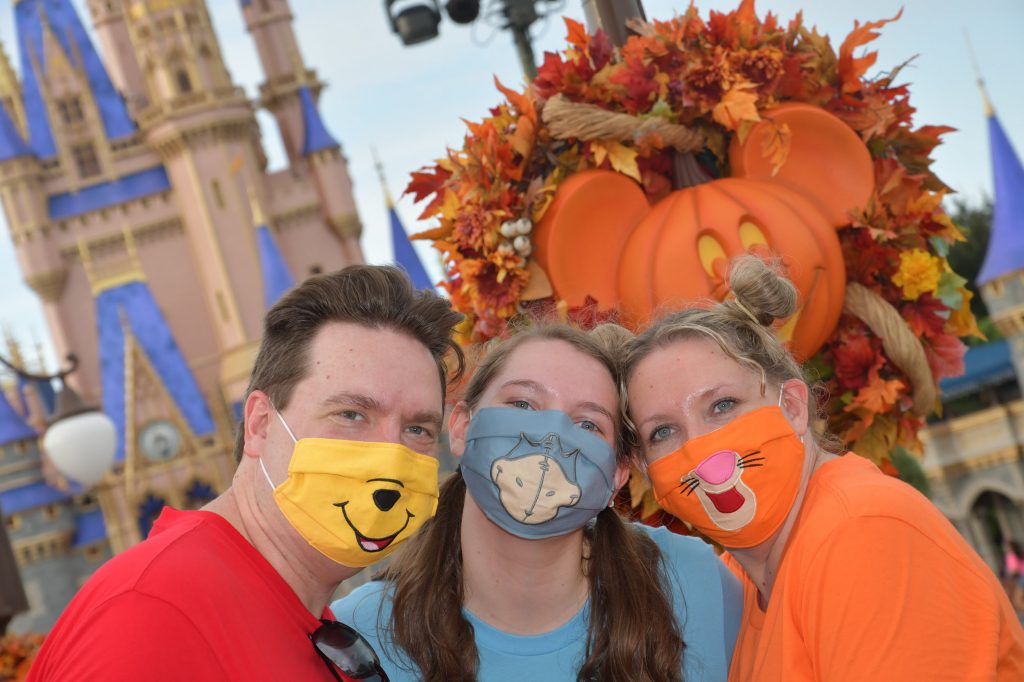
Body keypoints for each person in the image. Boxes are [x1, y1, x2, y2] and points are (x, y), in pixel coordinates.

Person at [29, 266, 464, 681]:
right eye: (351, 414)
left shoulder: (312, 624)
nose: (389, 456)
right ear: (260, 423)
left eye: (416, 429)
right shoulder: (152, 611)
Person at [624, 255, 1024, 681]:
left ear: (793, 407)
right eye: (663, 432)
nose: (700, 451)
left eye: (722, 405)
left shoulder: (862, 530)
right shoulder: (734, 585)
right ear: (645, 471)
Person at [333, 323, 742, 682]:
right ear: (460, 426)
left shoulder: (693, 584)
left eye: (588, 424)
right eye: (523, 404)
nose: (552, 436)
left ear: (617, 476)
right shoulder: (357, 637)